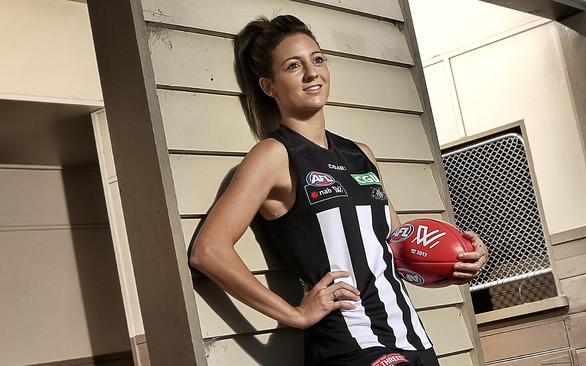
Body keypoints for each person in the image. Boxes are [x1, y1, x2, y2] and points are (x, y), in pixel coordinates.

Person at [189, 14, 489, 366]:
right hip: (351, 345)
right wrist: (296, 314)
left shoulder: (360, 154)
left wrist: (456, 260)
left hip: (413, 339)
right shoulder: (274, 155)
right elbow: (208, 250)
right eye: (293, 66)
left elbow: (392, 248)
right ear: (269, 86)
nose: (312, 73)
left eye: (317, 59)